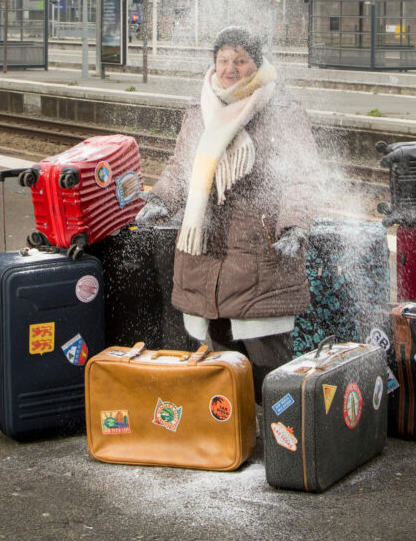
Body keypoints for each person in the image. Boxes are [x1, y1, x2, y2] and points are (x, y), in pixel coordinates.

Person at [137, 25, 320, 400]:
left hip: (259, 254)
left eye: (241, 60)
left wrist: (294, 225)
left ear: (258, 64)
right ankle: (232, 427)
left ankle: (278, 427)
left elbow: (303, 174)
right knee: (220, 365)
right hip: (205, 252)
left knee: (269, 365)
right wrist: (161, 199)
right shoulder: (200, 107)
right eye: (223, 60)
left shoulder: (282, 109)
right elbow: (182, 165)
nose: (230, 69)